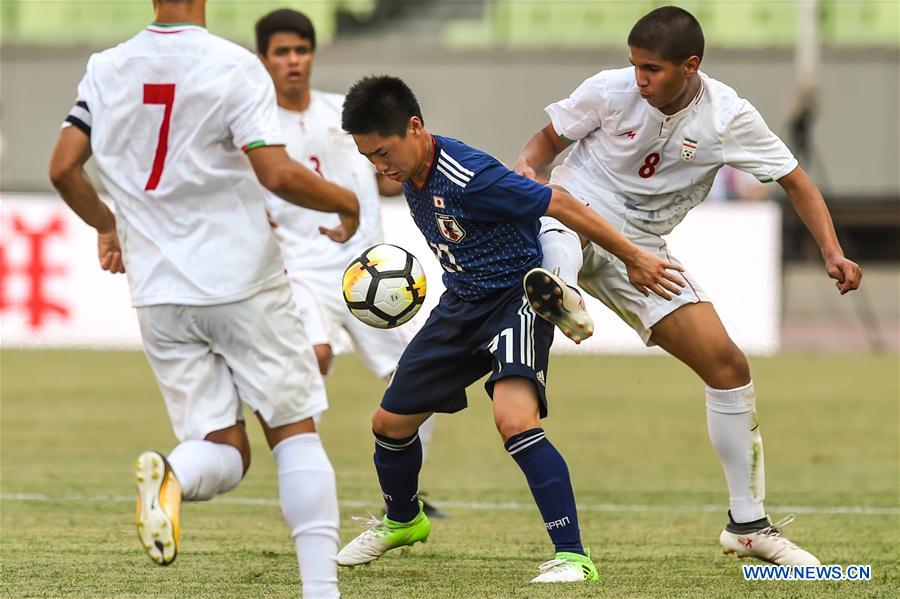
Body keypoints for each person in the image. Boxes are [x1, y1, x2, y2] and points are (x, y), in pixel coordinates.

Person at [514, 5, 863, 566]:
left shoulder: (728, 115)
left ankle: (747, 525)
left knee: (729, 367)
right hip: (579, 209)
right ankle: (559, 289)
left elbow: (796, 180)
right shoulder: (609, 90)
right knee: (561, 219)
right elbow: (544, 143)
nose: (639, 79)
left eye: (651, 69)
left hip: (647, 251)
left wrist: (832, 251)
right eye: (634, 65)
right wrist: (526, 170)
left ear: (690, 66)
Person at [48, 1, 359, 597]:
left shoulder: (106, 68)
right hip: (239, 277)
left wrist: (106, 224)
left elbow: (64, 168)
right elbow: (274, 172)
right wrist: (345, 199)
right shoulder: (234, 65)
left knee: (224, 449)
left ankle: (172, 474)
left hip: (159, 291)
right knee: (294, 431)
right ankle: (321, 590)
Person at [334, 75, 684, 583]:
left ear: (415, 128)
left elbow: (559, 203)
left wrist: (632, 256)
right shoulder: (411, 174)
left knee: (514, 420)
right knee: (389, 423)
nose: (380, 166)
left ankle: (573, 556)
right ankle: (403, 520)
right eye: (369, 157)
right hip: (461, 304)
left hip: (517, 297)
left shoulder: (468, 174)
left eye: (384, 151)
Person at [254, 9, 446, 518]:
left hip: (369, 271)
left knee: (413, 380)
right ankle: (306, 483)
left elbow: (386, 172)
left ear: (312, 55)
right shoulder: (256, 128)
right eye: (282, 52)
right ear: (264, 59)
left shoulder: (344, 115)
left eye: (301, 50)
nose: (293, 60)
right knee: (312, 356)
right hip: (299, 269)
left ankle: (408, 493)